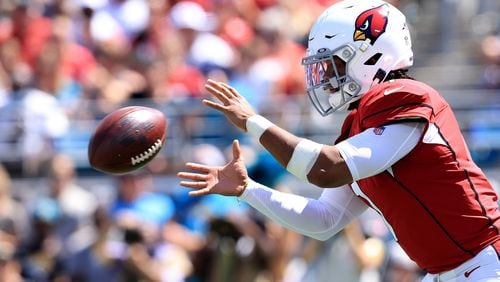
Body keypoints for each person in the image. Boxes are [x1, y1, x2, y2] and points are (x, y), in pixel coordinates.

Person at [178, 0, 500, 281]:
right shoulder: (359, 128)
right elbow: (323, 220)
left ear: (373, 55)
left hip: (486, 262)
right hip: (446, 272)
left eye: (335, 63)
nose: (327, 79)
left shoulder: (403, 96)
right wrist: (248, 189)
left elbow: (325, 169)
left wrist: (253, 122)